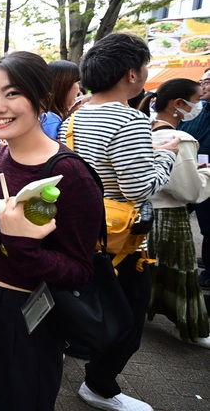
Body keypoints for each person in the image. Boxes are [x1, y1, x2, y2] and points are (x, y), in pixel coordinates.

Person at [0, 51, 103, 410]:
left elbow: (79, 272)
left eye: (12, 93)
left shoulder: (70, 175)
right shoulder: (0, 156)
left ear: (41, 99)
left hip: (26, 315)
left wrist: (24, 247)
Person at [57, 32, 179, 411]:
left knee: (88, 297)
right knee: (127, 317)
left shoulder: (74, 118)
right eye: (145, 67)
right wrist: (167, 156)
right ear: (131, 73)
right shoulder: (128, 120)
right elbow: (139, 188)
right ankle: (99, 385)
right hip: (120, 241)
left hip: (81, 229)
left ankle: (80, 347)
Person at [136, 78, 210, 348]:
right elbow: (189, 191)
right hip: (170, 217)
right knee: (181, 274)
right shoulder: (180, 140)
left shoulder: (143, 133)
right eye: (197, 100)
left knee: (145, 270)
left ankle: (141, 312)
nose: (199, 106)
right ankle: (192, 327)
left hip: (142, 213)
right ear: (179, 104)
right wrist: (206, 174)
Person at [179, 68, 210, 289]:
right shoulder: (199, 110)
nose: (203, 85)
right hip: (193, 171)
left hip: (206, 175)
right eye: (202, 81)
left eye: (207, 81)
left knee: (209, 225)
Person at [45, 60, 82, 138]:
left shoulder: (50, 117)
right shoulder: (50, 121)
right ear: (64, 85)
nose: (79, 89)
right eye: (77, 83)